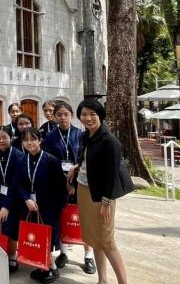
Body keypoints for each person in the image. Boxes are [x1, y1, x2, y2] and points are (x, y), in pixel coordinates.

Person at [68, 99, 133, 284]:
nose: (87, 118)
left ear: (100, 116)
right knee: (93, 238)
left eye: (92, 114)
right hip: (84, 190)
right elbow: (86, 159)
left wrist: (106, 203)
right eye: (84, 114)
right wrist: (76, 167)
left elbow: (111, 176)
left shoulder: (110, 142)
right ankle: (102, 280)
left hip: (103, 195)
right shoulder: (85, 135)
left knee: (106, 241)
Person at [44, 101, 96, 274]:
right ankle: (64, 253)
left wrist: (72, 183)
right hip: (58, 185)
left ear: (72, 115)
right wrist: (64, 184)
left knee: (84, 219)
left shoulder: (81, 135)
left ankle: (88, 256)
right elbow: (50, 162)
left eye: (66, 114)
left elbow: (84, 161)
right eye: (59, 114)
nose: (63, 118)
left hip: (80, 183)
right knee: (62, 217)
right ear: (54, 116)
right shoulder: (50, 137)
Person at [16, 127, 67, 283]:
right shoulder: (21, 160)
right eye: (26, 140)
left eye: (33, 139)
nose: (29, 143)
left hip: (48, 206)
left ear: (39, 140)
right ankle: (41, 265)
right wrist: (26, 199)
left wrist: (58, 207)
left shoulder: (51, 160)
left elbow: (60, 186)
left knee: (47, 236)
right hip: (30, 206)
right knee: (35, 235)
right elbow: (18, 183)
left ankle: (52, 268)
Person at [0, 126, 24, 273]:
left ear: (11, 138)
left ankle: (12, 256)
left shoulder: (18, 156)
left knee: (11, 226)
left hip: (13, 199)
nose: (1, 141)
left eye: (4, 137)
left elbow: (17, 183)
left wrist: (7, 206)